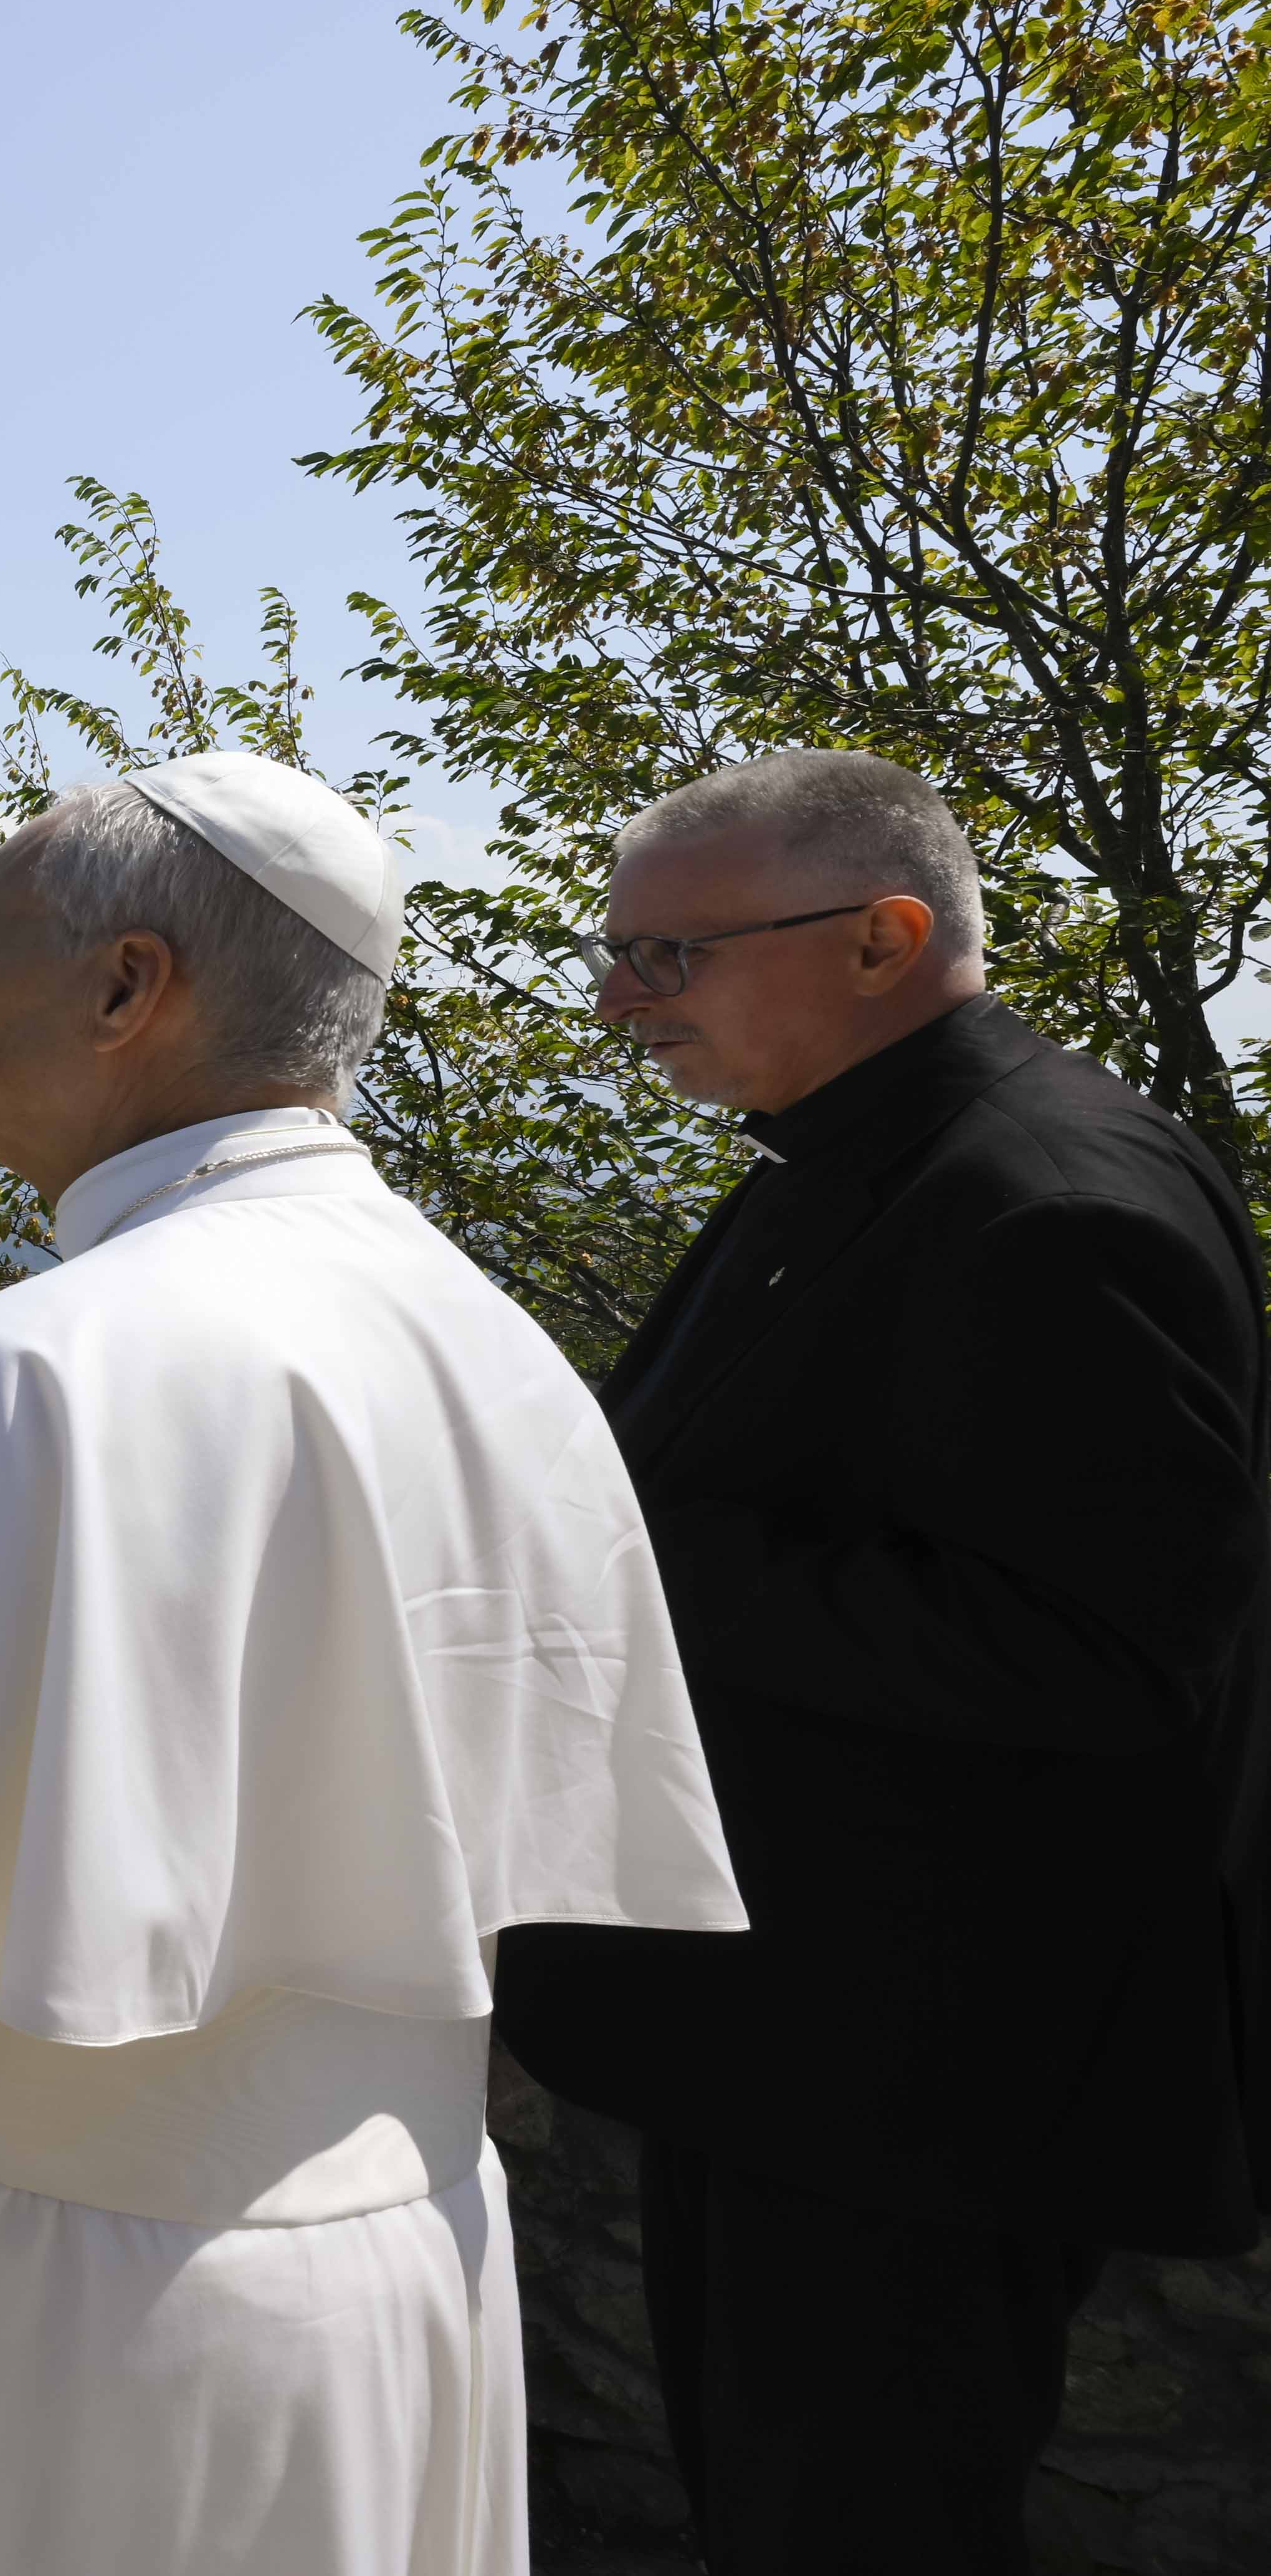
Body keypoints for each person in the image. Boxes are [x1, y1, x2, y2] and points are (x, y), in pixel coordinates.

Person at [0, 750, 746, 2576]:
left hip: (27, 2308)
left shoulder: (23, 1376)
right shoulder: (487, 1339)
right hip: (395, 2264)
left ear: (129, 987)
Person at [492, 749, 1271, 2575]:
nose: (618, 1002)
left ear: (881, 939)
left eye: (670, 957)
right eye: (614, 953)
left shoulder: (1049, 1203)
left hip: (921, 2090)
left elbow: (1110, 1654)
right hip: (807, 2054)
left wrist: (626, 1557)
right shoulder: (867, 1145)